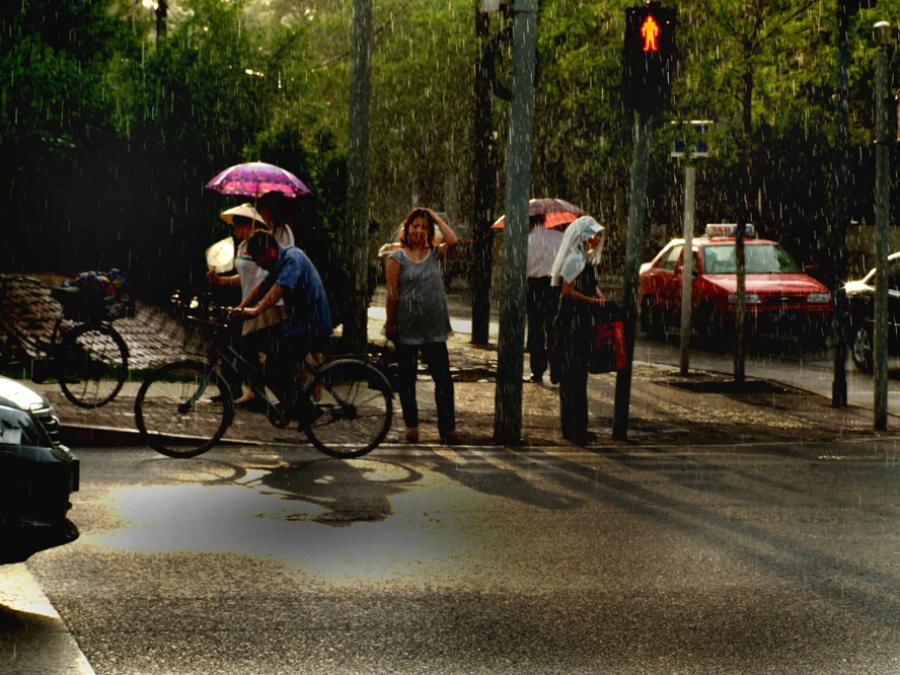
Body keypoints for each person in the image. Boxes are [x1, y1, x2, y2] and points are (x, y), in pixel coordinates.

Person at [233, 230, 332, 428]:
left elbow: (278, 290)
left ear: (269, 251)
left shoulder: (292, 259)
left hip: (311, 326)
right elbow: (262, 287)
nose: (258, 264)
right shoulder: (279, 262)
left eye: (258, 259)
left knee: (272, 367)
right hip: (295, 324)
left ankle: (304, 409)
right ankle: (285, 398)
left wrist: (256, 311)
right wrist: (241, 307)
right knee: (250, 341)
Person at [383, 207, 461, 445]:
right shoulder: (397, 257)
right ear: (407, 229)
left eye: (424, 227)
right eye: (415, 226)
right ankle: (412, 426)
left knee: (443, 380)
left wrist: (435, 218)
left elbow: (454, 241)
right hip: (407, 327)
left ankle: (447, 429)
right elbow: (392, 294)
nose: (419, 231)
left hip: (434, 327)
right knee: (407, 379)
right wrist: (390, 322)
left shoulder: (435, 253)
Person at [207, 204, 283, 409]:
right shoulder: (242, 247)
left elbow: (263, 279)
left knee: (249, 348)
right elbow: (243, 278)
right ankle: (233, 390)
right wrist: (221, 281)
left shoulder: (262, 246)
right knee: (229, 345)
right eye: (235, 226)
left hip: (259, 304)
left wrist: (251, 305)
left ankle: (255, 393)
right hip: (245, 302)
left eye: (240, 225)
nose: (236, 230)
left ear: (251, 225)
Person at [550, 215, 606, 445]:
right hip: (573, 321)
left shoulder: (583, 258)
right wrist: (591, 300)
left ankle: (575, 426)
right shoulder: (575, 259)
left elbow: (587, 284)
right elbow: (567, 291)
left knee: (577, 375)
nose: (597, 239)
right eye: (595, 234)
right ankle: (574, 428)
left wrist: (597, 293)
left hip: (578, 320)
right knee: (573, 375)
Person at [525, 214, 564, 384]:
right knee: (554, 327)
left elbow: (523, 267)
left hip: (533, 286)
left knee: (536, 329)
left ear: (531, 222)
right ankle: (557, 370)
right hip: (554, 285)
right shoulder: (560, 238)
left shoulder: (527, 240)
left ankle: (537, 371)